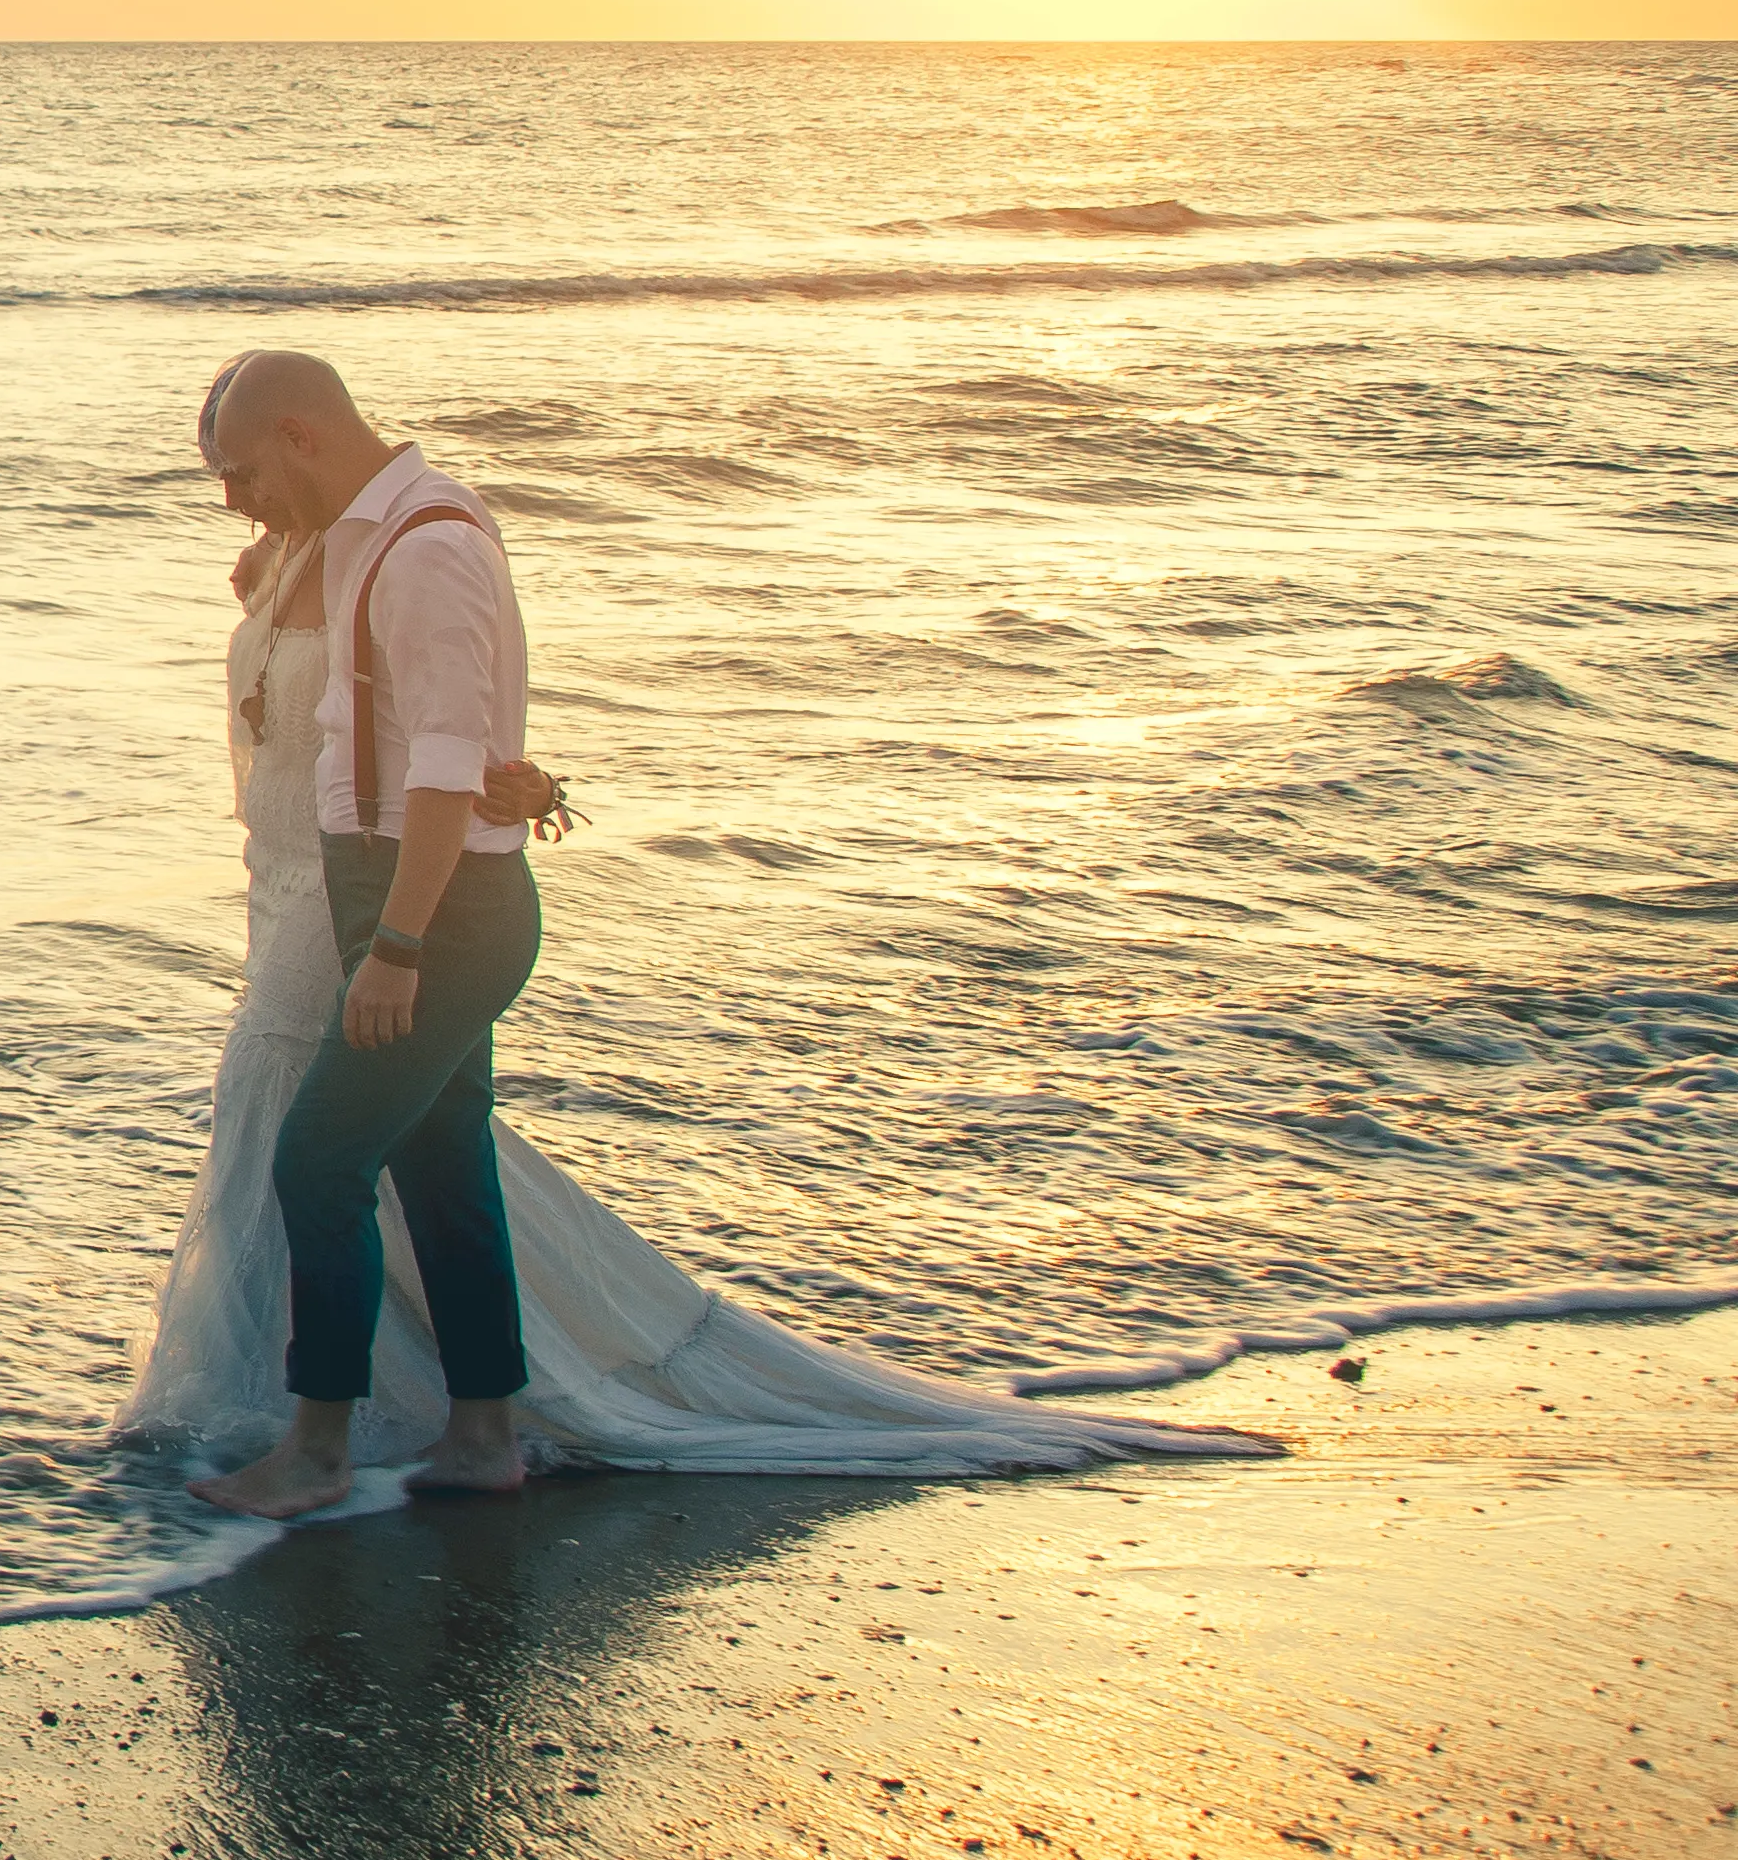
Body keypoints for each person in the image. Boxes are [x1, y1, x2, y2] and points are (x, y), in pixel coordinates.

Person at [125, 349, 1275, 1507]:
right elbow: (424, 716)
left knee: (318, 1159)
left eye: (239, 472)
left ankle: (317, 1452)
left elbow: (431, 764)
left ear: (302, 434)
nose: (233, 500)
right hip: (408, 890)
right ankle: (483, 1437)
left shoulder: (423, 548)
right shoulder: (369, 532)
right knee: (439, 1163)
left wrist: (398, 947)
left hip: (435, 913)